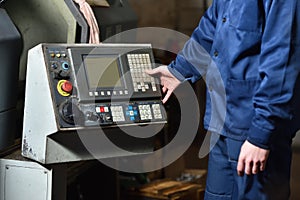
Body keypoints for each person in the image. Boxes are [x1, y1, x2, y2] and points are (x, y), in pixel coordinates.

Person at [146, 1, 300, 199]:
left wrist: (261, 136)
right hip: (223, 121)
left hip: (253, 127)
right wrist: (180, 70)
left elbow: (283, 62)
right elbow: (210, 29)